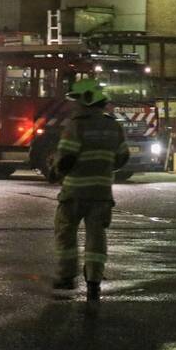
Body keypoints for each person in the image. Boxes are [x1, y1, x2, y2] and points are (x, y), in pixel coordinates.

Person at [49, 78, 129, 300]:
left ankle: (66, 277)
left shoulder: (76, 125)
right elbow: (123, 157)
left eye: (77, 100)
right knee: (96, 238)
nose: (74, 105)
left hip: (74, 193)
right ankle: (94, 281)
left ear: (87, 99)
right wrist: (103, 169)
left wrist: (54, 173)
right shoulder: (114, 126)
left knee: (66, 234)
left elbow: (66, 159)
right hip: (102, 194)